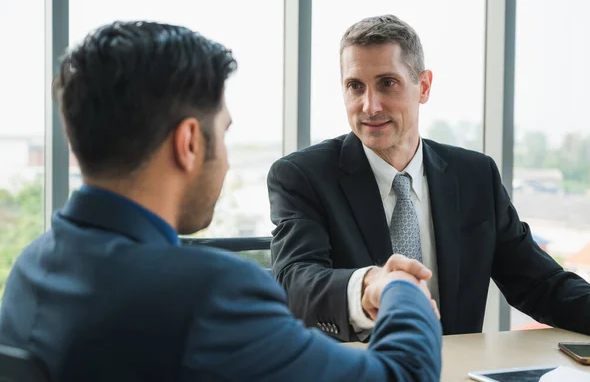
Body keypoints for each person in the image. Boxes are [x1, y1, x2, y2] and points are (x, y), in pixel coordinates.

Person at [0, 21, 442, 382]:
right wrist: (401, 291)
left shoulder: (32, 267)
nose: (228, 160)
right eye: (224, 132)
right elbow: (400, 375)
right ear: (189, 142)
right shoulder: (208, 294)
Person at [268, 14, 590, 343]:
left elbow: (540, 284)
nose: (369, 106)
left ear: (423, 86)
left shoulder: (475, 176)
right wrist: (370, 284)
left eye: (387, 83)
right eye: (355, 87)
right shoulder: (303, 176)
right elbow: (296, 282)